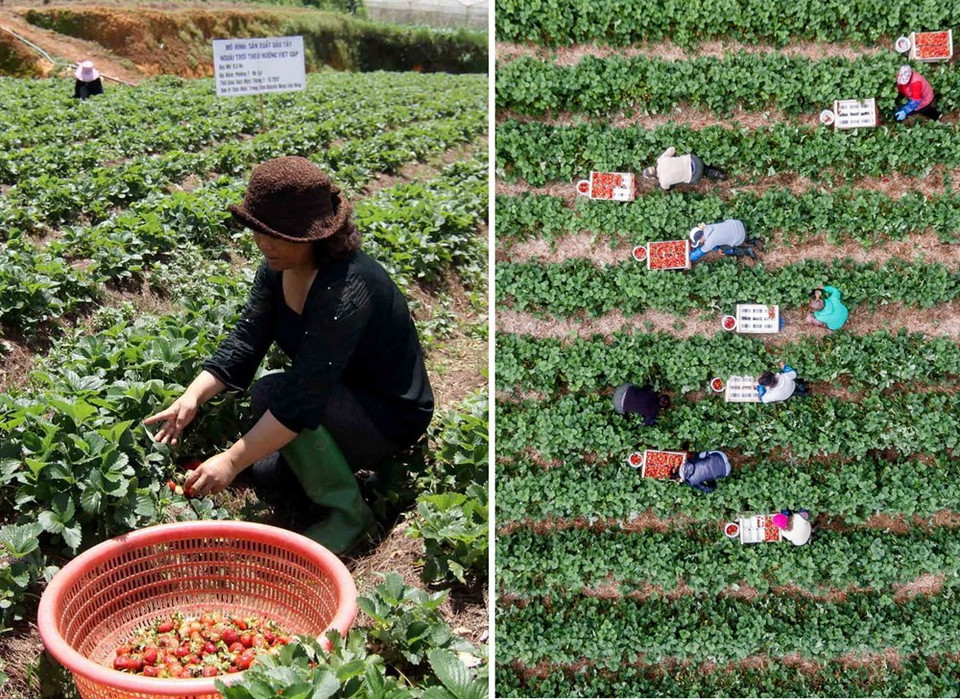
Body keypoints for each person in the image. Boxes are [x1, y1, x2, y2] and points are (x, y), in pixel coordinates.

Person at [144, 156, 434, 553]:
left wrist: (230, 460)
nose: (264, 244)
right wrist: (191, 397)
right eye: (258, 231)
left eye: (277, 235)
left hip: (387, 413)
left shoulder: (348, 288)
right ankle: (332, 475)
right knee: (265, 470)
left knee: (272, 398)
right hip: (336, 393)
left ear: (314, 234)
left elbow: (303, 395)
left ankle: (351, 515)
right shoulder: (276, 270)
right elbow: (246, 340)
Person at [641, 147, 727, 191]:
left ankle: (716, 174)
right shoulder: (661, 160)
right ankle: (716, 171)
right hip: (694, 160)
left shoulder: (663, 182)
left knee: (701, 173)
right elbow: (672, 149)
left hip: (694, 175)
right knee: (702, 167)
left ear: (653, 177)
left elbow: (667, 188)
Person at [688, 220, 758, 262]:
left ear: (700, 237)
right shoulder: (707, 227)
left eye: (699, 241)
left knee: (724, 250)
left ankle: (745, 251)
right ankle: (753, 240)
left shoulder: (710, 242)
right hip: (738, 224)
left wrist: (690, 257)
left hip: (740, 237)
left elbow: (699, 252)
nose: (700, 243)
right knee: (725, 236)